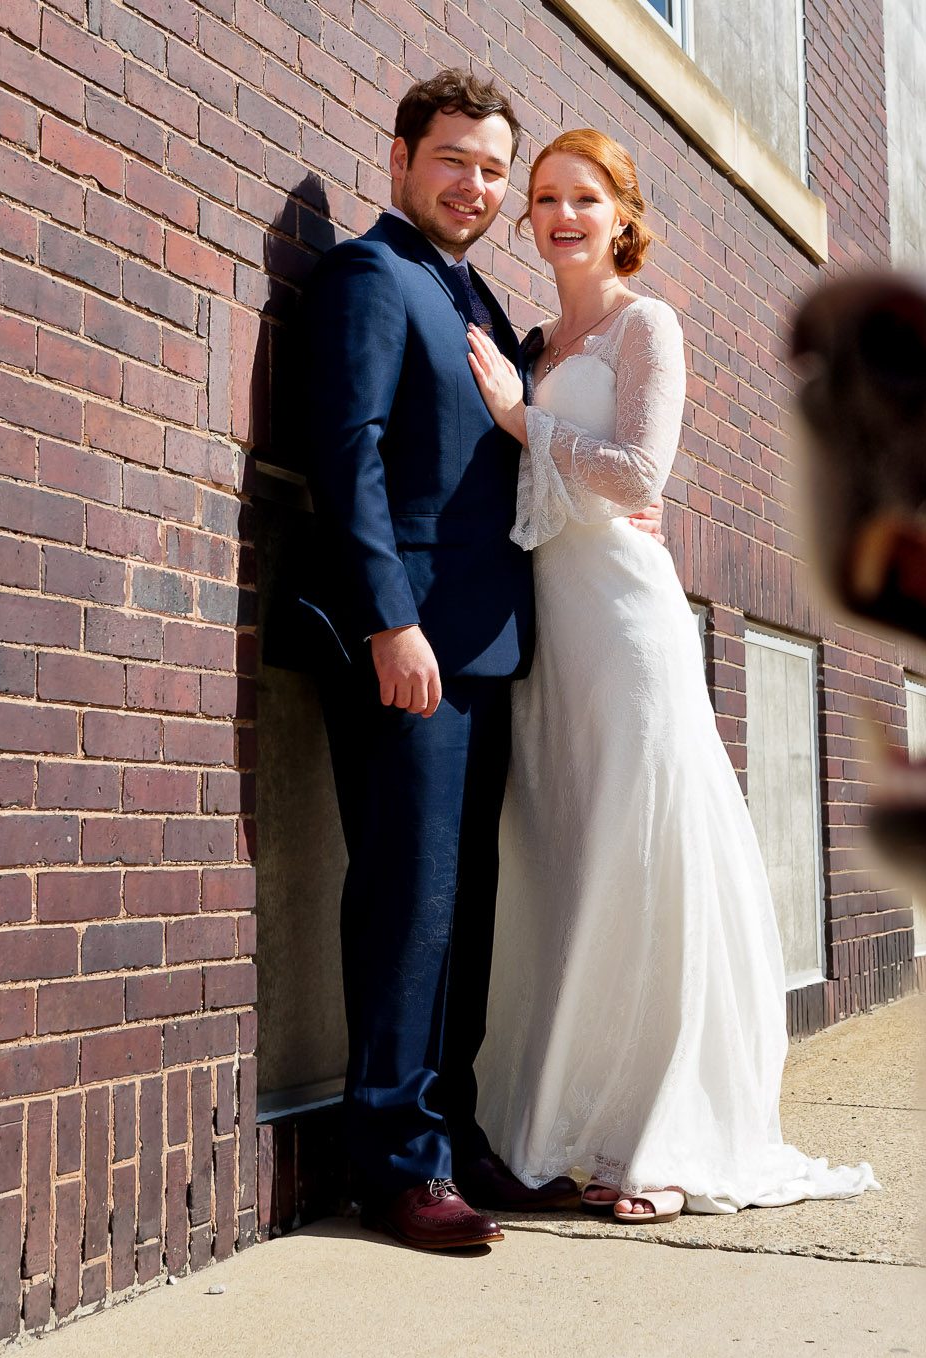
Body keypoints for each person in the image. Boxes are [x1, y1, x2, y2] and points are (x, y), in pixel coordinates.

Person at [466, 129, 880, 1223]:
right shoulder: (536, 337)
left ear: (621, 216)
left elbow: (642, 470)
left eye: (584, 199)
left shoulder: (647, 325)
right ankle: (572, 1126)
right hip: (548, 631)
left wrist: (524, 419)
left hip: (626, 627)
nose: (562, 216)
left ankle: (658, 1138)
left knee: (643, 852)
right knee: (566, 860)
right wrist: (531, 410)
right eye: (545, 198)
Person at [282, 72, 658, 1250]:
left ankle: (451, 1132)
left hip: (492, 650)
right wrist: (390, 622)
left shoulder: (481, 296)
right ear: (400, 157)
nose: (478, 186)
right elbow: (345, 459)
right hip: (412, 646)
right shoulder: (369, 276)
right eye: (455, 160)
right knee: (408, 900)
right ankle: (392, 1164)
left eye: (493, 169)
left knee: (469, 908)